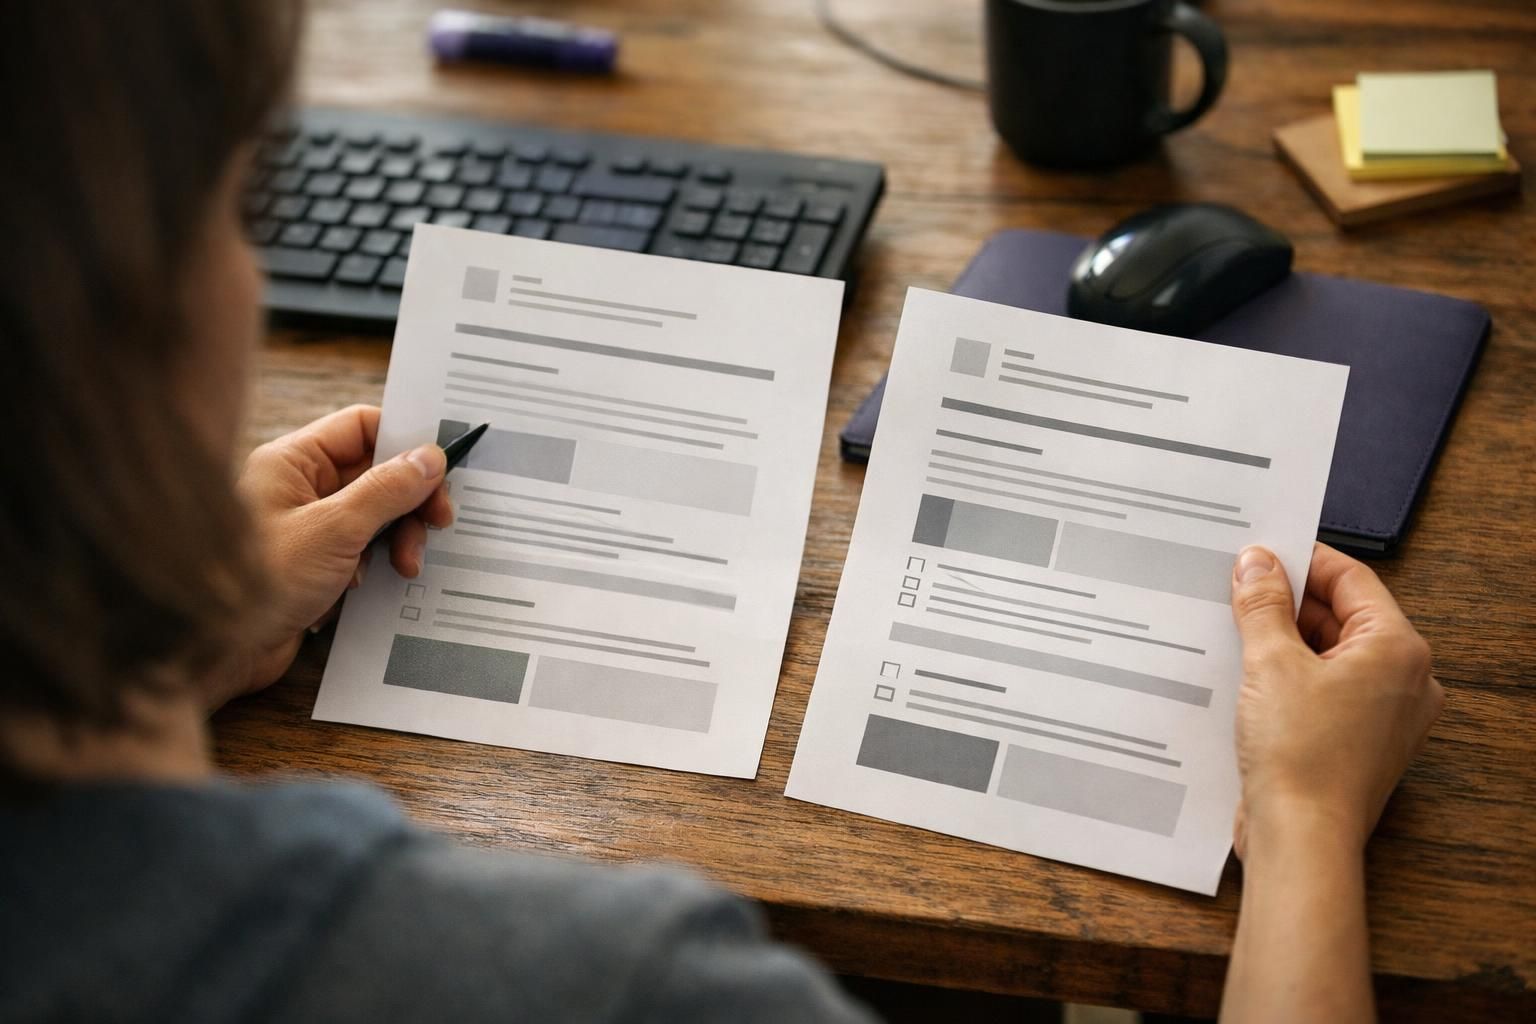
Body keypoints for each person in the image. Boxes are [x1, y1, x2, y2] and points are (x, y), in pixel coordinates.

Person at [0, 3, 1443, 1022]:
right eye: (233, 206)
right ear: (134, 309)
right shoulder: (618, 988)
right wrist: (1308, 816)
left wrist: (164, 640)